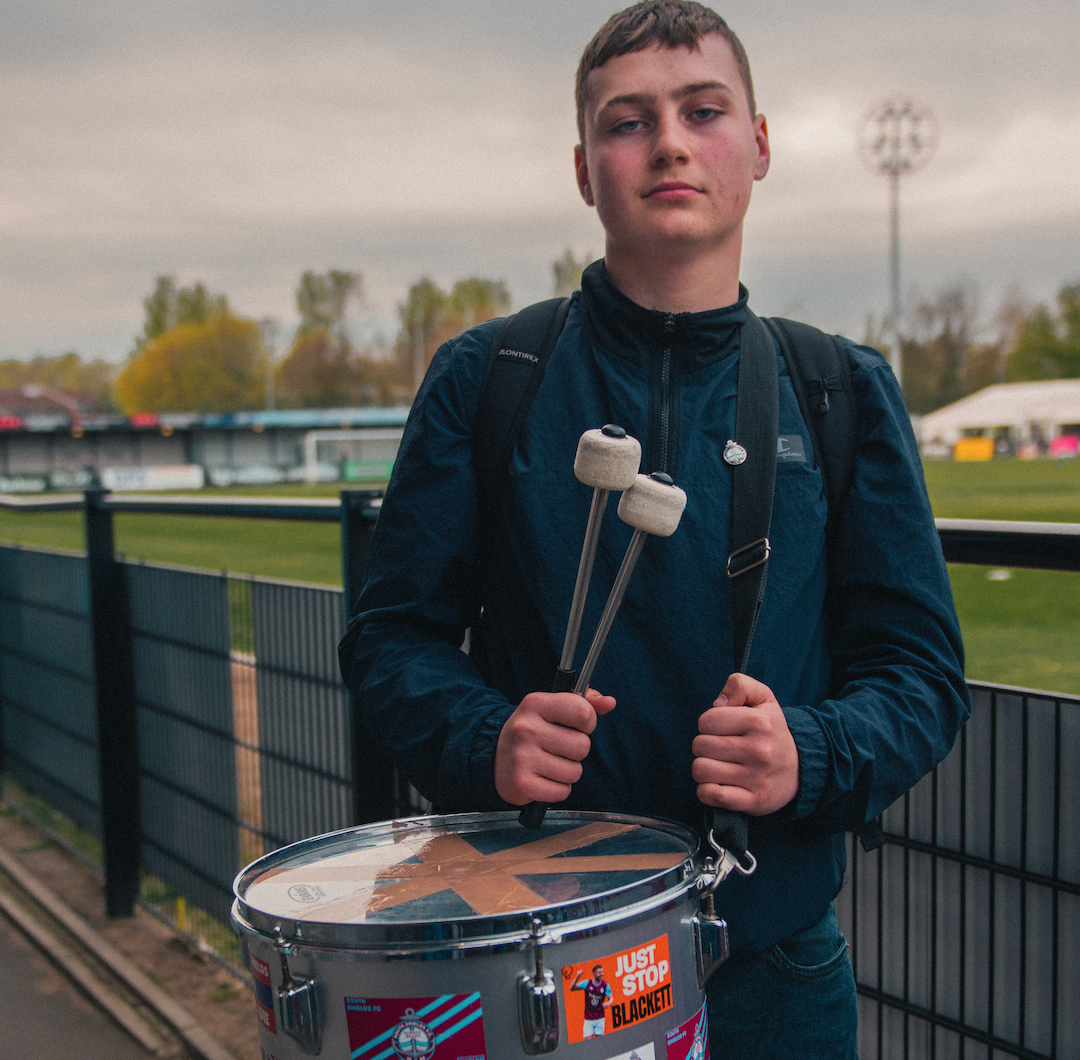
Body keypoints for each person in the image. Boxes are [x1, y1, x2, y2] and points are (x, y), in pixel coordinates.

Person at [339, 3, 969, 1055]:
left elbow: (923, 678)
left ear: (757, 146)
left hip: (772, 962)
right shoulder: (488, 378)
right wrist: (486, 738)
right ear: (585, 168)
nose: (669, 141)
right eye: (627, 122)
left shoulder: (840, 390)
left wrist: (805, 753)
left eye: (703, 109)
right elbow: (388, 641)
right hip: (527, 955)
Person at [571, 965, 613, 1038]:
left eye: (602, 972)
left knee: (598, 1043)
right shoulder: (587, 983)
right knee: (588, 1042)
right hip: (588, 1019)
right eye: (599, 972)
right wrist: (577, 977)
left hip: (600, 1019)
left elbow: (611, 998)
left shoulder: (605, 985)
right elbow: (572, 988)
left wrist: (608, 1004)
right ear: (594, 974)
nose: (601, 974)